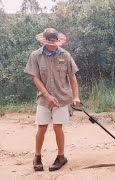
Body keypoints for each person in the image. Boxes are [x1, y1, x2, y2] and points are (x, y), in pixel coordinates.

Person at [24, 28, 81, 171]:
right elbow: (35, 78)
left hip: (62, 98)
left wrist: (76, 96)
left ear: (57, 41)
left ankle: (61, 157)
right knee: (41, 127)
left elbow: (72, 77)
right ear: (44, 41)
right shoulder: (35, 55)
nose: (52, 45)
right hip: (43, 99)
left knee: (58, 127)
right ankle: (37, 157)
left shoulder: (65, 55)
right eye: (49, 42)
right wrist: (47, 96)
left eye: (54, 43)